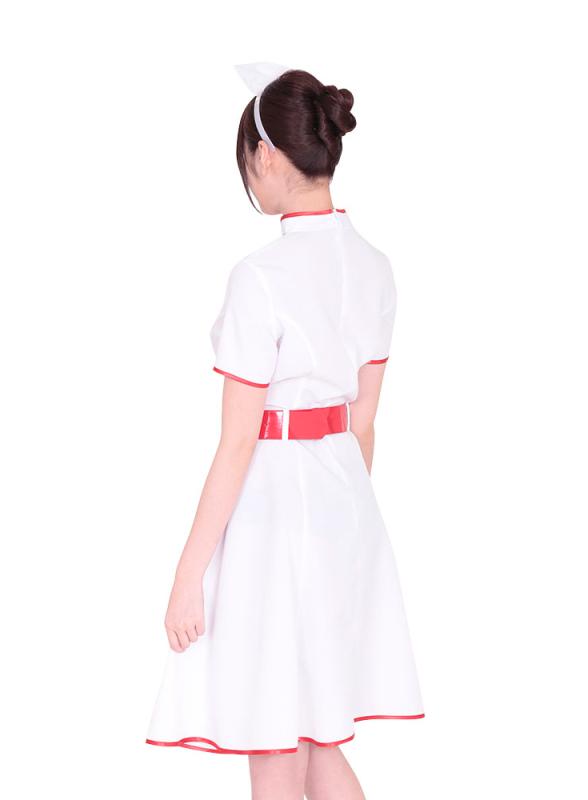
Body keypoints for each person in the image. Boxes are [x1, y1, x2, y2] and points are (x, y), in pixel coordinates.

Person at [145, 64, 425, 799]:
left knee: (274, 742)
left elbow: (238, 442)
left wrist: (187, 576)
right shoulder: (375, 267)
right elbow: (363, 423)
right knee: (319, 739)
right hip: (345, 506)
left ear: (266, 154)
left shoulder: (260, 277)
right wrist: (343, 527)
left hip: (274, 517)